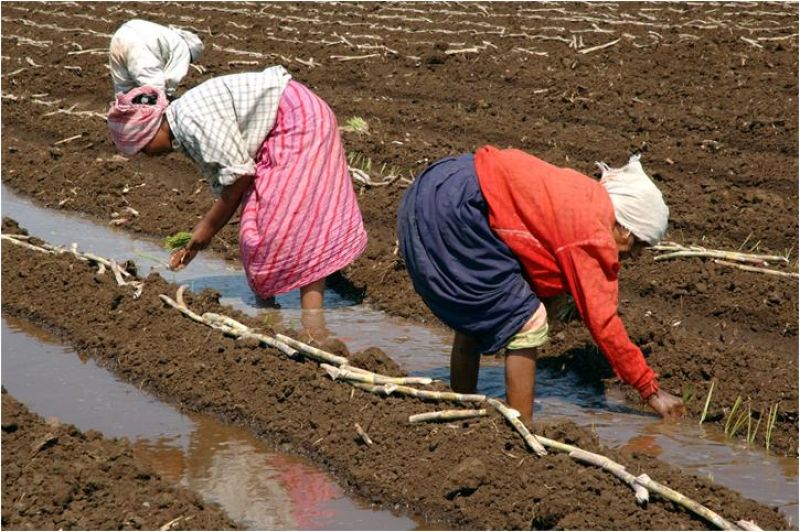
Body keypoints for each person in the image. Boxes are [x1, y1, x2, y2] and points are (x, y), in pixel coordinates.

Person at [396, 146, 686, 421]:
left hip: (435, 185)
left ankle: (461, 404)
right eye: (638, 248)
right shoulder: (594, 233)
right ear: (626, 230)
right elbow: (604, 323)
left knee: (482, 309)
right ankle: (522, 431)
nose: (633, 258)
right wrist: (652, 391)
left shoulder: (583, 196)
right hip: (457, 210)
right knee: (528, 321)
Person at [106, 66, 367, 311]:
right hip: (284, 122)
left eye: (142, 148)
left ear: (149, 132)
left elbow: (239, 179)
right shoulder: (184, 124)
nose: (146, 155)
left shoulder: (190, 120)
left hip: (298, 120)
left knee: (287, 221)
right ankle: (268, 307)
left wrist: (205, 230)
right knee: (258, 220)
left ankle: (312, 322)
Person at [109, 19, 204, 98]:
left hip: (121, 34)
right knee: (155, 90)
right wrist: (168, 97)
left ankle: (121, 115)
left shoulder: (169, 36)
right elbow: (171, 78)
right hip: (139, 44)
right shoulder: (183, 49)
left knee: (124, 90)